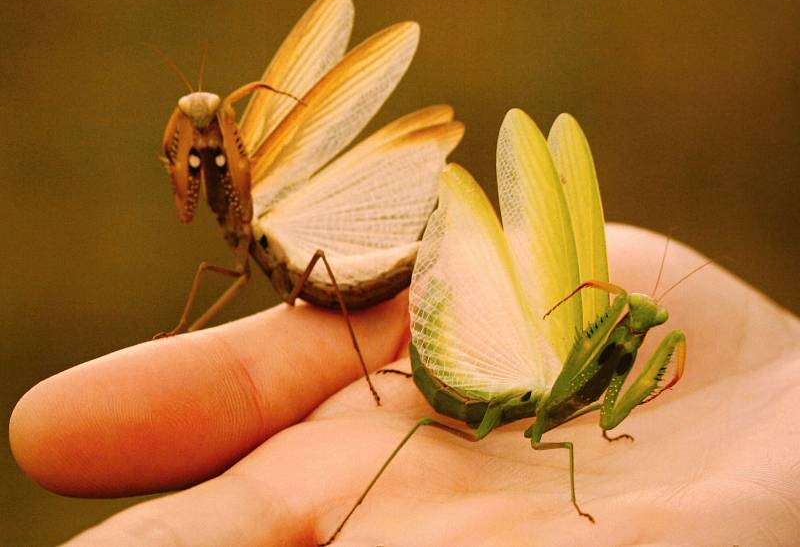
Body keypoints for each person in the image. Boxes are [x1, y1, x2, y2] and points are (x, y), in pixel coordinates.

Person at [10, 225, 800, 546]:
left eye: (638, 323)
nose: (640, 328)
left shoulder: (601, 363)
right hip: (458, 400)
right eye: (634, 319)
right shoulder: (571, 351)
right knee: (423, 426)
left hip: (502, 390)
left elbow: (586, 400)